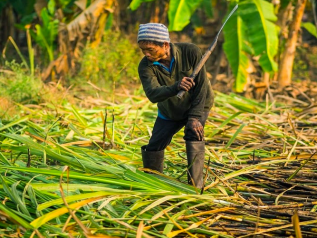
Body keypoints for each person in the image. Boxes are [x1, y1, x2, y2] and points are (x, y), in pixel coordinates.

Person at [137, 23, 214, 188]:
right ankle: (152, 184)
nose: (146, 54)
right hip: (170, 110)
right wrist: (175, 87)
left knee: (193, 133)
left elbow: (202, 87)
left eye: (150, 49)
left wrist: (194, 118)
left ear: (165, 45)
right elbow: (153, 94)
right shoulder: (145, 66)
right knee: (154, 145)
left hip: (198, 105)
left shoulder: (190, 51)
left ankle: (195, 187)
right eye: (143, 50)